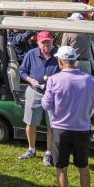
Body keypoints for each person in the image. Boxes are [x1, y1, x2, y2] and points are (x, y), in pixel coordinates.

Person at [42, 46, 94, 187]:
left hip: (61, 130)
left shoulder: (54, 80)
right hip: (82, 130)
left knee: (62, 168)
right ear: (75, 61)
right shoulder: (90, 80)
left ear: (60, 62)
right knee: (83, 167)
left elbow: (46, 105)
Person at [18, 31, 59, 165]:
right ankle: (31, 149)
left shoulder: (59, 54)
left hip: (53, 94)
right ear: (38, 43)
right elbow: (22, 71)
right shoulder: (31, 54)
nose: (46, 44)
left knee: (51, 125)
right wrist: (30, 80)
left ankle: (49, 153)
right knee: (30, 122)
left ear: (52, 41)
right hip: (34, 91)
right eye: (43, 42)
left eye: (49, 41)